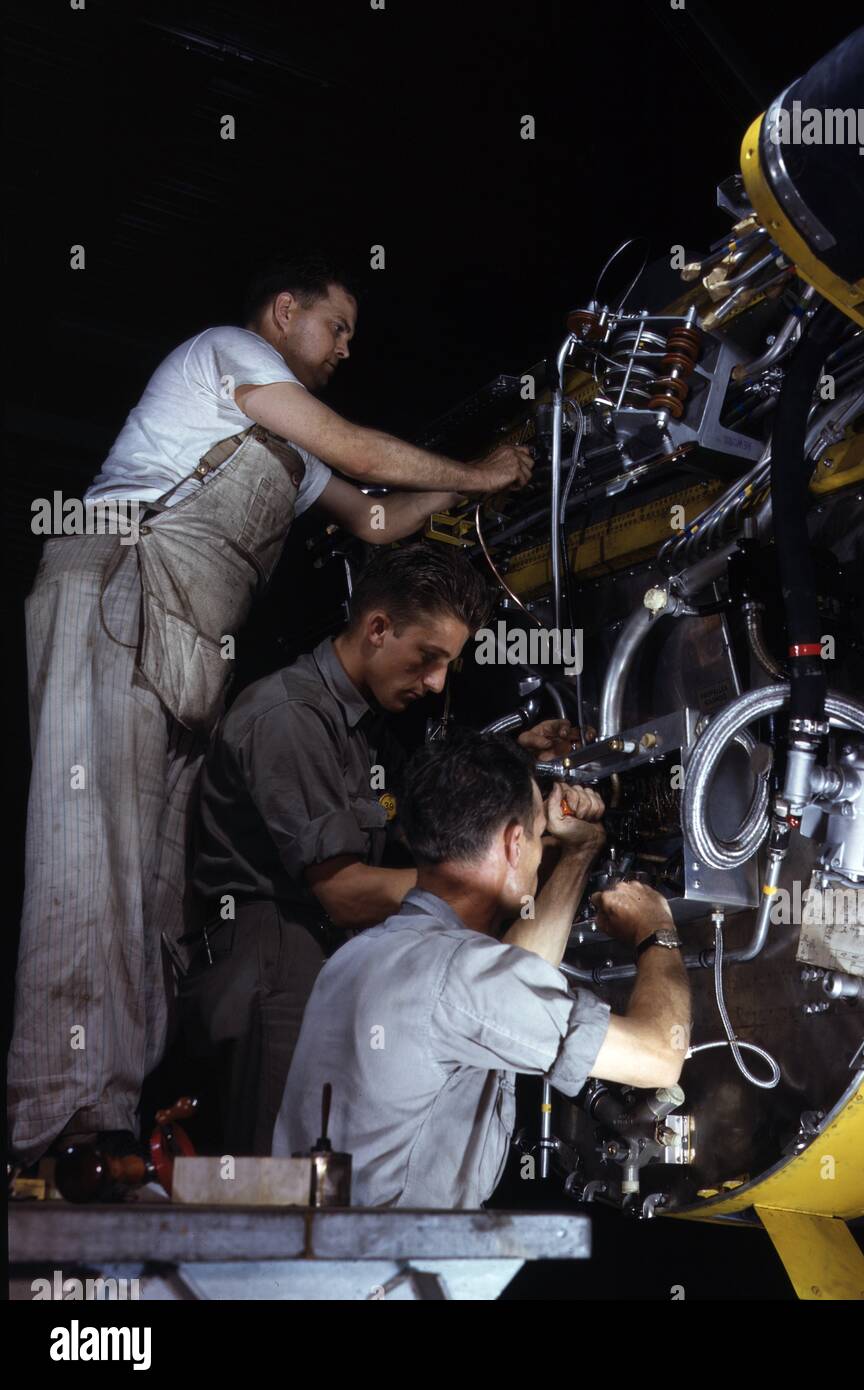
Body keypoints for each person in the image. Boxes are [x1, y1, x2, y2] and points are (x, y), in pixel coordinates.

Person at [10, 251, 532, 1164]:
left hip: (175, 639)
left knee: (148, 893)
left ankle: (106, 1125)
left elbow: (373, 517)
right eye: (336, 329)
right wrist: (482, 472)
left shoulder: (287, 458)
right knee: (88, 857)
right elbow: (358, 448)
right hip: (117, 588)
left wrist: (471, 482)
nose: (342, 351)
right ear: (283, 311)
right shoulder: (226, 355)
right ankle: (54, 1128)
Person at [182, 542, 584, 1155]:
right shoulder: (291, 717)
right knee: (279, 1187)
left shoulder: (359, 720)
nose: (437, 681)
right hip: (272, 954)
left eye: (448, 663)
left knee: (325, 1175)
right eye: (428, 658)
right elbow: (344, 893)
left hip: (315, 950)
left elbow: (419, 811)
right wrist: (487, 872)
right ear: (376, 628)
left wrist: (516, 757)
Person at [273, 735, 691, 1208]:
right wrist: (656, 930)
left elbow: (514, 982)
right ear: (515, 844)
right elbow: (659, 1054)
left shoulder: (358, 956)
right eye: (538, 836)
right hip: (395, 1269)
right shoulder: (461, 978)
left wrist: (579, 854)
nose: (539, 850)